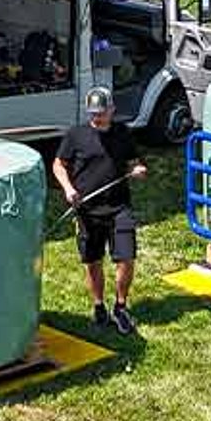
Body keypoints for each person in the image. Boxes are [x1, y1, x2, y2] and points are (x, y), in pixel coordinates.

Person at [52, 86, 147, 334]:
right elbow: (58, 165)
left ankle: (121, 306)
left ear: (112, 110)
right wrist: (68, 189)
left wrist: (137, 170)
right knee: (93, 262)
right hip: (88, 209)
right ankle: (98, 305)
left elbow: (133, 162)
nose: (97, 117)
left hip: (119, 207)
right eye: (93, 113)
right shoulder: (76, 135)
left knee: (126, 259)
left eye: (102, 112)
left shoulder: (122, 133)